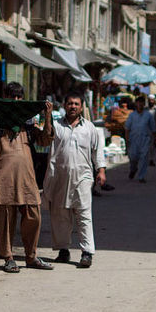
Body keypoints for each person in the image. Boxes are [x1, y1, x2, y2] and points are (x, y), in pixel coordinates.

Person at [0, 82, 54, 273]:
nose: (15, 101)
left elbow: (46, 140)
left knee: (34, 215)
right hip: (3, 177)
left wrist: (47, 116)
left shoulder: (29, 124)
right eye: (11, 96)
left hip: (27, 178)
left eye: (18, 97)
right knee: (6, 218)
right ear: (5, 98)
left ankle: (31, 256)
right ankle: (8, 257)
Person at [43, 92, 106, 268]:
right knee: (60, 214)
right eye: (70, 103)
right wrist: (47, 116)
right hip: (59, 177)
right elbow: (46, 138)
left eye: (76, 104)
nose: (73, 106)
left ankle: (87, 252)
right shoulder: (57, 125)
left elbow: (97, 150)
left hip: (83, 176)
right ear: (64, 105)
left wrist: (100, 170)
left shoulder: (90, 128)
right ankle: (63, 250)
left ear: (81, 107)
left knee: (84, 214)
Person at [124, 95, 156, 183]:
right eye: (138, 103)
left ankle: (141, 176)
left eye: (142, 103)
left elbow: (153, 128)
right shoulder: (132, 115)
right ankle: (133, 169)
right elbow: (127, 128)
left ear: (144, 104)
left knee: (144, 157)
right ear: (136, 104)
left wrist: (155, 139)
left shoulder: (148, 115)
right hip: (133, 140)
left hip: (145, 139)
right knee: (133, 157)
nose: (140, 104)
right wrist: (127, 140)